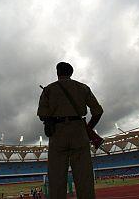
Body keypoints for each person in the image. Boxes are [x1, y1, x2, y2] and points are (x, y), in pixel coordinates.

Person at [37, 62, 103, 199]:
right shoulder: (83, 87)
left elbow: (42, 115)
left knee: (56, 178)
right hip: (79, 131)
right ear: (71, 73)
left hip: (58, 133)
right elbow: (97, 111)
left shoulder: (48, 89)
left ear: (57, 73)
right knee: (84, 177)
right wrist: (88, 129)